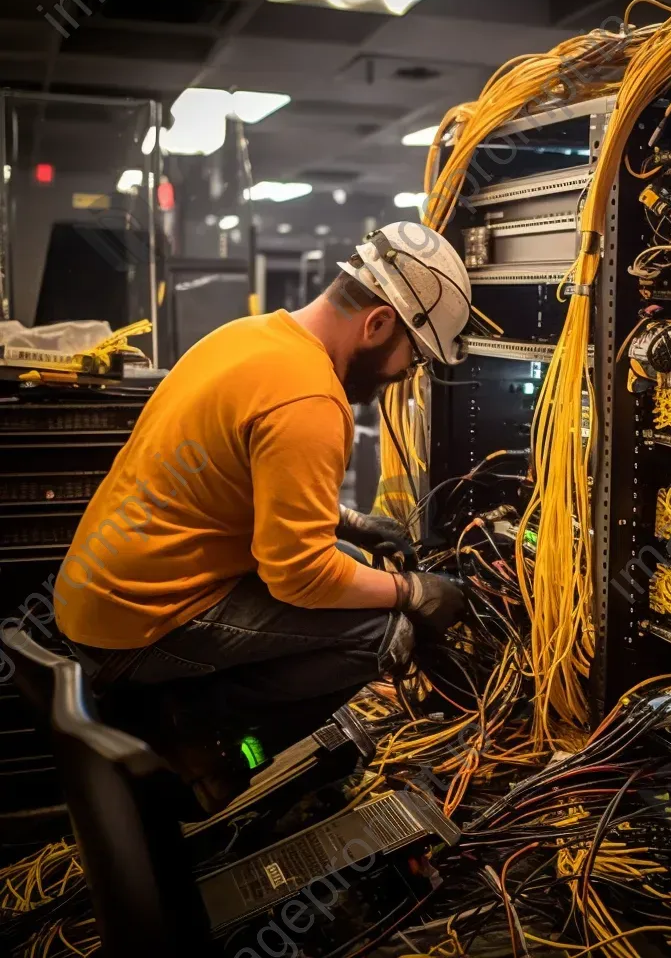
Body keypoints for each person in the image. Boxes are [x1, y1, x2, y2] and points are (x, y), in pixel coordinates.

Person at [54, 221, 472, 810]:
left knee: (354, 565)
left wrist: (348, 524)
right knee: (385, 632)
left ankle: (187, 721)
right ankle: (201, 747)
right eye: (414, 357)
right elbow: (299, 576)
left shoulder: (250, 337)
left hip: (97, 596)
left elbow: (236, 484)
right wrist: (411, 590)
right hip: (134, 628)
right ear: (377, 323)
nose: (406, 375)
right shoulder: (312, 401)